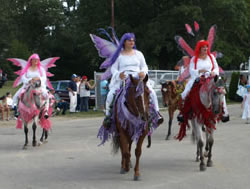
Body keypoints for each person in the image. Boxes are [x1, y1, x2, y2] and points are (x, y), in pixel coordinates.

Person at [103, 32, 163, 127]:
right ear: (124, 42)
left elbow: (144, 66)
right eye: (129, 40)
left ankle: (156, 113)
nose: (132, 42)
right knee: (110, 95)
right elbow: (113, 68)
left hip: (137, 78)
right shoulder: (118, 55)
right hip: (124, 78)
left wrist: (143, 72)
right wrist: (119, 74)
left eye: (133, 40)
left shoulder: (139, 54)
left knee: (152, 92)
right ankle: (108, 117)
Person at [177, 40, 229, 122]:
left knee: (220, 89)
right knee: (186, 90)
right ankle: (183, 112)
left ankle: (224, 112)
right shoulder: (194, 59)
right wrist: (199, 71)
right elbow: (191, 70)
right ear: (199, 49)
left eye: (206, 47)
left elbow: (215, 67)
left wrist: (214, 72)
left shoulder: (211, 57)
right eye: (203, 47)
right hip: (198, 77)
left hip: (210, 77)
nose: (205, 48)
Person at [12, 54, 50, 118]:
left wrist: (38, 78)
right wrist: (30, 80)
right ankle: (17, 110)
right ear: (31, 61)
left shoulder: (41, 69)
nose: (36, 61)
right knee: (16, 96)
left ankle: (46, 111)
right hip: (28, 85)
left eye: (37, 60)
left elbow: (44, 77)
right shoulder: (26, 69)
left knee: (46, 95)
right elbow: (23, 77)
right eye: (34, 60)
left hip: (39, 85)